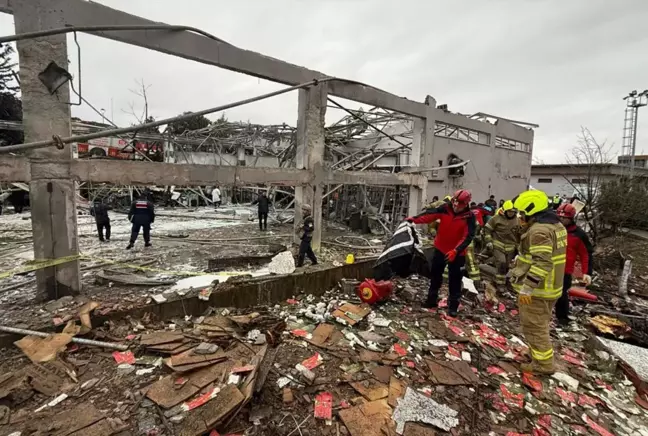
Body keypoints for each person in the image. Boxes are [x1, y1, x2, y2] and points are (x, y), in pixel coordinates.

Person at [509, 190, 567, 375]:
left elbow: (542, 262)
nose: (520, 216)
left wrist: (527, 288)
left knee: (534, 326)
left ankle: (543, 365)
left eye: (522, 212)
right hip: (552, 287)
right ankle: (537, 353)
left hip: (538, 290)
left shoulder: (539, 231)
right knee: (540, 323)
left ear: (531, 210)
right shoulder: (556, 226)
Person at [407, 189, 476, 316]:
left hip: (457, 253)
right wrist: (414, 219)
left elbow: (467, 237)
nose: (456, 207)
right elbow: (429, 215)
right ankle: (431, 300)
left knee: (455, 280)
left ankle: (453, 306)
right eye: (455, 203)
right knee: (435, 276)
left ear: (466, 204)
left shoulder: (470, 218)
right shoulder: (445, 208)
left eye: (459, 204)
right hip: (440, 249)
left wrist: (455, 250)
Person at [555, 203, 593, 326]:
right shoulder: (552, 229)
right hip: (549, 267)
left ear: (571, 218)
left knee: (562, 295)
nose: (561, 220)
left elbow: (586, 254)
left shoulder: (579, 234)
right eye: (559, 217)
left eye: (564, 218)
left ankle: (562, 318)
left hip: (565, 270)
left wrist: (587, 272)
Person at [483, 200, 520, 289]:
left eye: (513, 212)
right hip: (498, 245)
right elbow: (487, 230)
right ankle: (499, 284)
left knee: (507, 266)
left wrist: (519, 248)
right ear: (505, 211)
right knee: (501, 262)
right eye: (509, 211)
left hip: (511, 247)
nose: (511, 214)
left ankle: (501, 281)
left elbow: (520, 235)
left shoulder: (518, 220)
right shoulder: (496, 218)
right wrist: (489, 242)